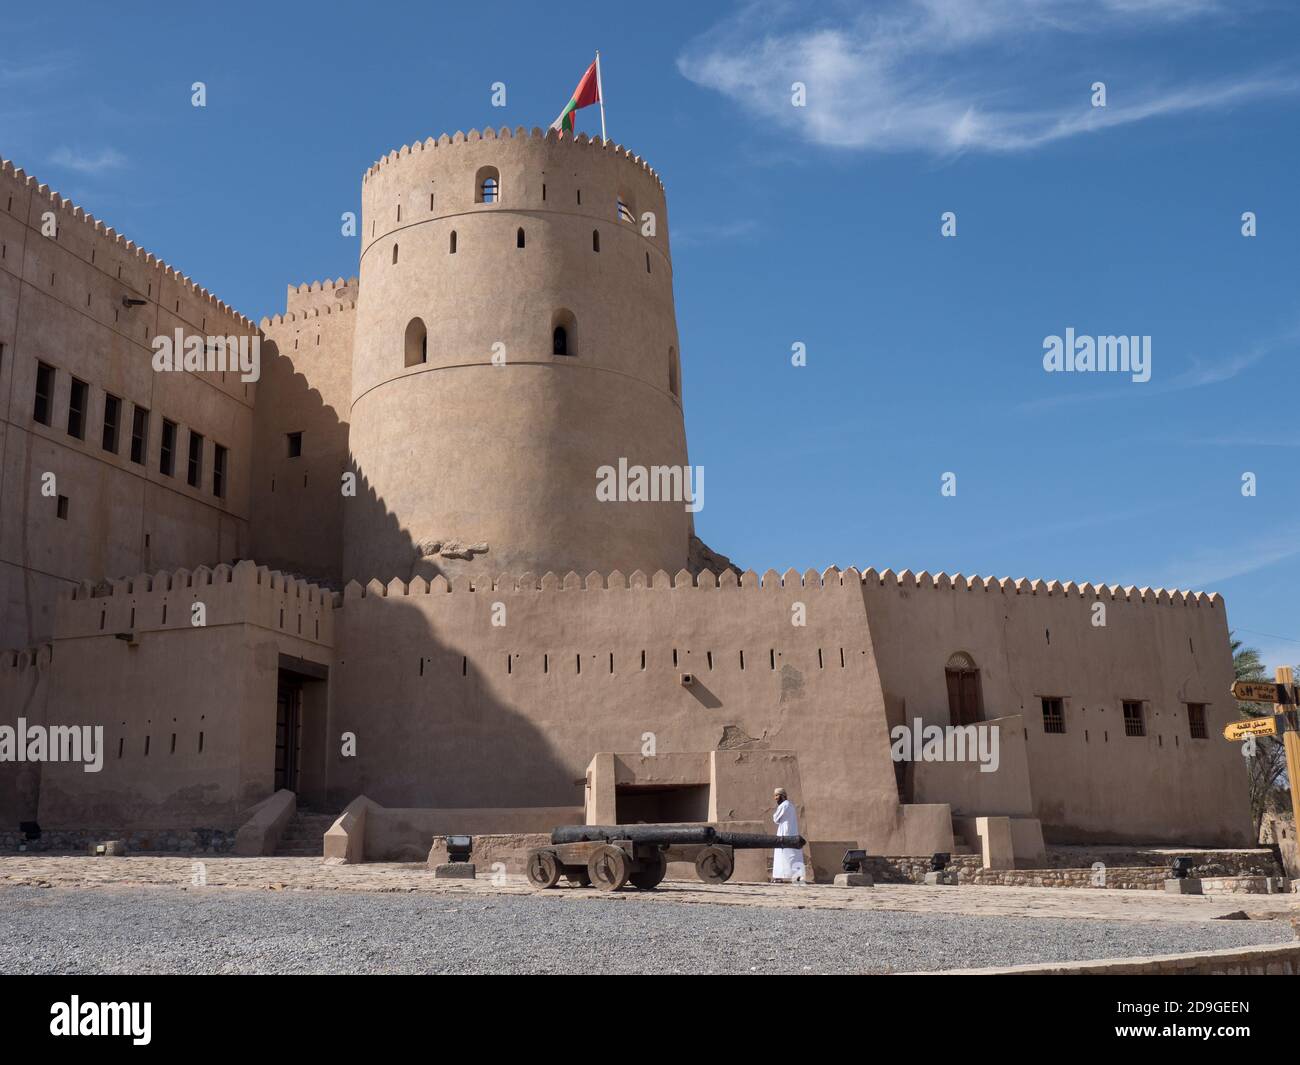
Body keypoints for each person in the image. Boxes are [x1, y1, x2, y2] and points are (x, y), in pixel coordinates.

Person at [771, 787, 806, 883]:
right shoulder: (791, 805)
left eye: (777, 795)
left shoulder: (783, 806)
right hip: (792, 833)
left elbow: (775, 819)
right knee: (794, 855)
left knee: (782, 856)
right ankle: (798, 876)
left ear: (782, 796)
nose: (775, 798)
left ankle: (779, 877)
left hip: (784, 834)